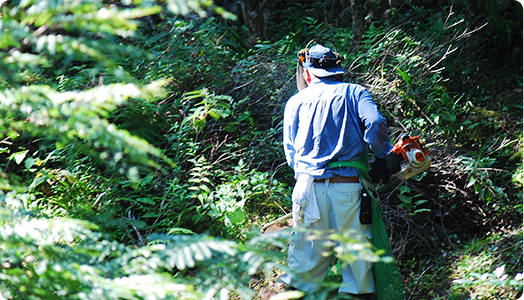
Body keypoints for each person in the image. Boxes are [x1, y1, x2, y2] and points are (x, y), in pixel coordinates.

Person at [280, 43, 392, 299]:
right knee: (358, 268)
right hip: (348, 188)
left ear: (308, 72)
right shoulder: (355, 93)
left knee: (305, 264)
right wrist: (382, 154)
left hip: (308, 190)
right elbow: (374, 123)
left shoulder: (295, 101)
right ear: (336, 69)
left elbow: (291, 154)